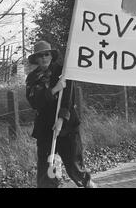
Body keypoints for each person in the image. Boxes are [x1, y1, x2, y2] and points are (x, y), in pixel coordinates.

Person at [25, 40, 95, 188]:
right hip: (45, 127)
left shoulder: (63, 72)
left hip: (66, 126)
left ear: (51, 55)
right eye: (40, 55)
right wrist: (54, 89)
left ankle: (86, 184)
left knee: (74, 165)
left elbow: (69, 99)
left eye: (46, 54)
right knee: (48, 164)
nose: (44, 58)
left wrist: (61, 120)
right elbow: (34, 101)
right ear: (36, 59)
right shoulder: (32, 78)